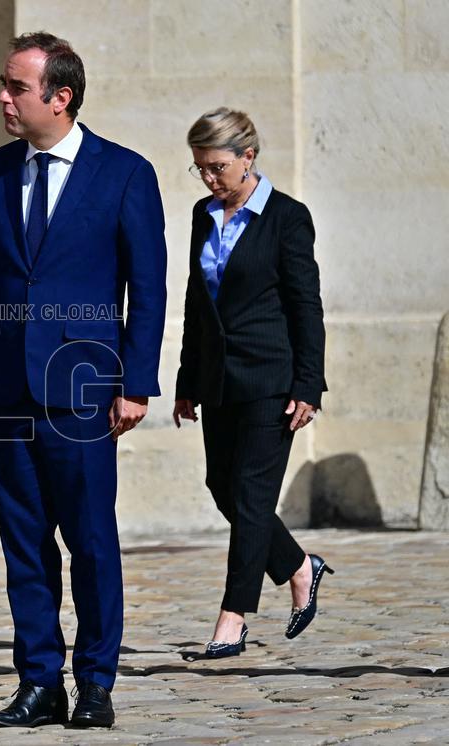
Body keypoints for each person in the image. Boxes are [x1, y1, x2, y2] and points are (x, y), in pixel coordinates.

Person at [0, 32, 167, 728]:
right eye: (5, 83)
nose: (3, 97)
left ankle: (96, 683)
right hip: (6, 392)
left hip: (83, 390)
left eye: (16, 87)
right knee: (23, 547)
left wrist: (135, 383)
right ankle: (39, 682)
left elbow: (149, 288)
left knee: (91, 541)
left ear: (60, 97)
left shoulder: (124, 173)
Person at [172, 107, 332, 659]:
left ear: (248, 156)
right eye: (200, 168)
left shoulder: (287, 217)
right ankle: (297, 566)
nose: (208, 178)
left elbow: (306, 306)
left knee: (251, 494)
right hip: (218, 379)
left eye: (216, 167)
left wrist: (308, 384)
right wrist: (187, 379)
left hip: (272, 380)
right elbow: (197, 303)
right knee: (223, 485)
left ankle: (232, 619)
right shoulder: (203, 215)